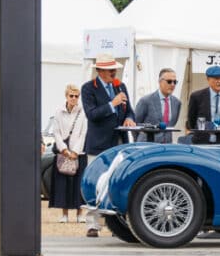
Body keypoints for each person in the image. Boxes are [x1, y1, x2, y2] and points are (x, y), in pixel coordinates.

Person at [81, 53, 136, 237]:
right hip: (98, 143)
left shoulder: (120, 86)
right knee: (95, 182)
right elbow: (92, 114)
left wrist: (129, 118)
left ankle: (117, 224)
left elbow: (129, 110)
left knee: (117, 181)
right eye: (110, 70)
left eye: (114, 69)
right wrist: (112, 104)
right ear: (100, 71)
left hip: (119, 142)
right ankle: (92, 223)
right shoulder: (88, 88)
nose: (114, 72)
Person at [50, 84, 87, 223]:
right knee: (63, 184)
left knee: (79, 184)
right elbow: (56, 132)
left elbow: (84, 133)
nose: (74, 98)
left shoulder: (83, 112)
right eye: (71, 95)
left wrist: (76, 151)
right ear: (66, 96)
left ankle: (80, 214)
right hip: (63, 153)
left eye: (76, 96)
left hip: (79, 153)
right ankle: (64, 214)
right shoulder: (58, 112)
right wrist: (64, 149)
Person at [135, 68, 183, 143]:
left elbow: (172, 124)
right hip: (147, 146)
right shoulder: (145, 101)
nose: (172, 84)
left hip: (167, 147)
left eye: (175, 82)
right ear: (160, 82)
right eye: (169, 81)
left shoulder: (177, 103)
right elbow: (135, 125)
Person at [186, 65, 220, 131]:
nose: (219, 81)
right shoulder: (197, 96)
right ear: (208, 79)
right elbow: (191, 119)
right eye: (216, 78)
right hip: (203, 137)